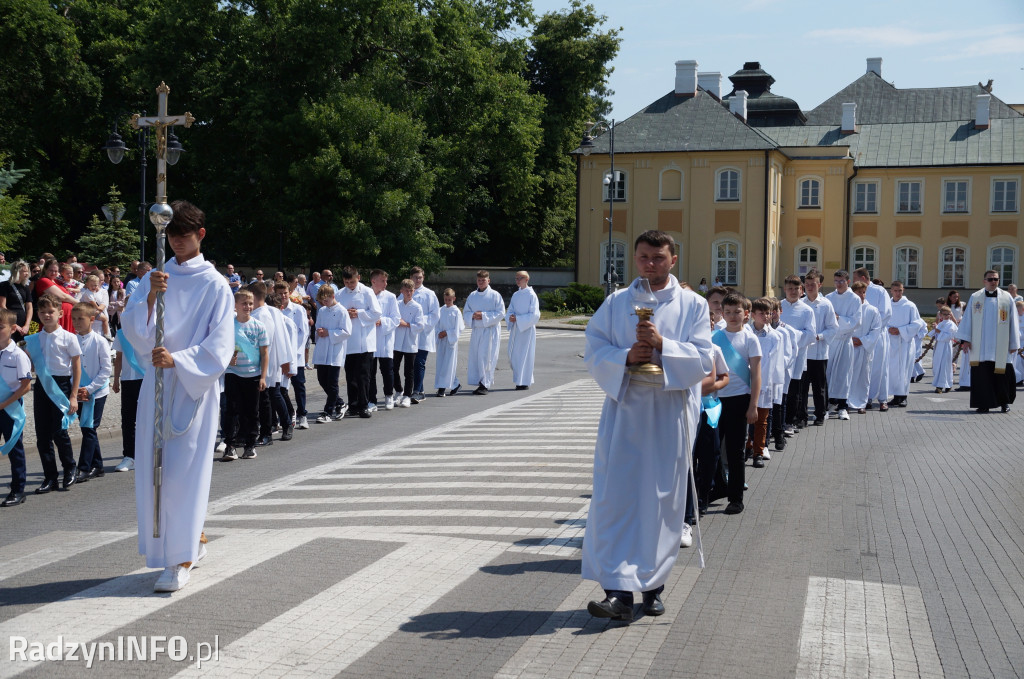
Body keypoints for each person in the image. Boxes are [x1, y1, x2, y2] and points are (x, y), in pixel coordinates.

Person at [582, 230, 712, 622]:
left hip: (669, 411)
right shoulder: (617, 302)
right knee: (615, 497)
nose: (649, 264)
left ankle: (653, 588)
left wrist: (662, 346)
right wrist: (625, 356)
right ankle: (618, 593)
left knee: (661, 500)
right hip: (625, 408)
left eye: (658, 257)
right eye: (642, 257)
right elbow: (594, 346)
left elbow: (705, 359)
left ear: (673, 259)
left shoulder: (693, 305)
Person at [120, 199, 234, 593]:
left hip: (190, 385)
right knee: (156, 472)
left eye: (183, 237)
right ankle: (190, 541)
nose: (176, 244)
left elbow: (221, 345)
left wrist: (179, 359)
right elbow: (133, 328)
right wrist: (150, 296)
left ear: (200, 235)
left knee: (184, 473)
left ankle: (179, 559)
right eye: (170, 237)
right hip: (155, 383)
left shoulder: (215, 284)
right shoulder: (159, 274)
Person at [24, 293, 82, 494]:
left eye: (51, 311)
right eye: (42, 312)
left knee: (59, 431)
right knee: (42, 435)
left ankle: (69, 468)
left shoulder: (69, 337)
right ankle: (50, 477)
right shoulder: (34, 339)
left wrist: (73, 395)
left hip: (62, 385)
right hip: (42, 386)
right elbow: (30, 365)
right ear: (38, 314)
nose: (47, 315)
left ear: (59, 313)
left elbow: (76, 367)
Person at [955, 270, 1020, 413]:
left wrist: (1014, 343)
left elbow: (1013, 320)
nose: (993, 282)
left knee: (1002, 376)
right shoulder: (975, 296)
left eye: (995, 279)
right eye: (990, 279)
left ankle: (1004, 403)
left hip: (1000, 346)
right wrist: (965, 340)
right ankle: (983, 403)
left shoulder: (1006, 297)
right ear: (984, 281)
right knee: (982, 377)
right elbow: (968, 319)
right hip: (981, 346)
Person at [222, 289, 269, 461]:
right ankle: (230, 445)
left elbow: (264, 353)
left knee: (252, 411)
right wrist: (228, 360)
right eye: (244, 303)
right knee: (232, 410)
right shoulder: (228, 326)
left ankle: (250, 445)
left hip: (253, 374)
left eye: (250, 303)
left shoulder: (259, 326)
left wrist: (263, 377)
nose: (247, 306)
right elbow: (222, 349)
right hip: (233, 373)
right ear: (235, 305)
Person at [71, 303, 111, 483]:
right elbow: (70, 368)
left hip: (97, 392)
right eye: (74, 319)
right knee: (88, 428)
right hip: (79, 392)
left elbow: (105, 370)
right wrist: (76, 389)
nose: (76, 322)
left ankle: (84, 467)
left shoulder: (100, 341)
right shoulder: (71, 340)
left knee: (88, 428)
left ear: (91, 320)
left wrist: (90, 388)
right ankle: (98, 465)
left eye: (81, 319)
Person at [250, 282, 292, 444]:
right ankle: (269, 428)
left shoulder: (265, 314)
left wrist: (285, 361)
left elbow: (276, 339)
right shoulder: (259, 313)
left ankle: (284, 424)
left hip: (269, 361)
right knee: (266, 397)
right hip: (261, 362)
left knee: (271, 396)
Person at [337, 266, 381, 418]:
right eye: (347, 282)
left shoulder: (367, 292)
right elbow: (336, 312)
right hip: (348, 341)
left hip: (364, 341)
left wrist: (359, 313)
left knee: (363, 375)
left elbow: (376, 313)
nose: (349, 285)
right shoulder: (340, 294)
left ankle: (364, 404)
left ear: (359, 278)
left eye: (352, 282)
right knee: (350, 375)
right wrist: (345, 314)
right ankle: (353, 404)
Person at [0, 308, 33, 507]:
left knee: (15, 449)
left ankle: (18, 489)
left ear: (13, 328)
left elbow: (26, 386)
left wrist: (3, 404)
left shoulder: (18, 355)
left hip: (10, 407)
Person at [801, 270, 838, 425]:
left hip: (819, 352)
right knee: (802, 388)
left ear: (819, 285)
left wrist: (819, 336)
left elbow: (833, 328)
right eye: (807, 284)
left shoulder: (826, 304)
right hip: (803, 353)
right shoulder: (801, 303)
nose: (809, 287)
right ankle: (801, 416)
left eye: (813, 284)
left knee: (819, 387)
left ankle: (820, 415)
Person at [825, 270, 863, 420]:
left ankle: (843, 406)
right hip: (831, 341)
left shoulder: (854, 299)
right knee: (828, 374)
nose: (839, 284)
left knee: (843, 374)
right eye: (836, 281)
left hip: (845, 341)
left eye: (842, 281)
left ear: (848, 282)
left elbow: (856, 322)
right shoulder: (829, 298)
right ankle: (828, 404)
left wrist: (838, 318)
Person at [749, 298, 780, 468]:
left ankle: (758, 451)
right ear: (753, 315)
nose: (766, 316)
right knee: (746, 418)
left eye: (768, 313)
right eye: (761, 313)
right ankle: (746, 446)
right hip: (747, 382)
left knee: (762, 420)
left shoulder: (774, 336)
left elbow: (777, 363)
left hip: (765, 382)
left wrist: (774, 384)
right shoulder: (746, 333)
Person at [312, 284, 351, 422]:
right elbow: (318, 326)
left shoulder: (342, 311)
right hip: (323, 349)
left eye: (326, 300)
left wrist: (329, 333)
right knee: (322, 380)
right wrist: (319, 331)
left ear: (333, 296)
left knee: (332, 382)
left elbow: (346, 331)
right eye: (322, 301)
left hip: (335, 350)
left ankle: (328, 412)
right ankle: (340, 403)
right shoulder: (322, 310)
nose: (324, 303)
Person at [780, 275, 815, 428]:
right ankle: (778, 423)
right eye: (790, 289)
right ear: (785, 289)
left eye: (796, 289)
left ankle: (790, 422)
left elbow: (811, 335)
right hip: (779, 356)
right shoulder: (778, 307)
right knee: (778, 391)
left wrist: (791, 333)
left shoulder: (807, 310)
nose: (793, 292)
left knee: (794, 391)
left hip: (797, 356)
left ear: (801, 290)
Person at [463, 270, 505, 395]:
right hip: (477, 331)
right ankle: (479, 381)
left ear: (488, 281)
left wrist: (484, 316)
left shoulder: (495, 295)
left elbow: (501, 313)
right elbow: (466, 312)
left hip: (490, 331)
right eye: (479, 280)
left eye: (483, 280)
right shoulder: (472, 296)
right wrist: (472, 316)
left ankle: (485, 384)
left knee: (487, 357)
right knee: (477, 357)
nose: (481, 282)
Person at [886, 280, 926, 408]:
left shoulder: (910, 306)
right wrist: (888, 329)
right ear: (891, 291)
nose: (898, 293)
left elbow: (917, 323)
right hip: (891, 342)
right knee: (892, 370)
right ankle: (895, 396)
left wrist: (900, 330)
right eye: (895, 291)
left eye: (900, 291)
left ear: (903, 291)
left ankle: (903, 397)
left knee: (904, 370)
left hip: (905, 342)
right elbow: (882, 320)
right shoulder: (887, 305)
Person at [111, 329, 144, 472]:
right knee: (128, 419)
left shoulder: (149, 329)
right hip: (128, 380)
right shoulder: (121, 333)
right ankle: (129, 456)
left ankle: (149, 454)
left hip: (146, 378)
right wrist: (116, 379)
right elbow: (119, 357)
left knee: (147, 419)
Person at [278, 280, 310, 428]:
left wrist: (295, 353)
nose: (283, 296)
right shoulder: (275, 310)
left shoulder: (298, 309)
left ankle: (302, 413)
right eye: (280, 294)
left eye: (285, 293)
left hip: (295, 355)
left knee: (299, 385)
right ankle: (286, 415)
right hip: (280, 356)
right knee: (281, 388)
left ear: (289, 293)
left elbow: (303, 333)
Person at [847, 281, 883, 414]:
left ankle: (861, 403)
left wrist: (862, 341)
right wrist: (849, 339)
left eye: (863, 292)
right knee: (848, 376)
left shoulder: (872, 310)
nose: (862, 295)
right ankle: (846, 401)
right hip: (849, 347)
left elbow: (876, 329)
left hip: (864, 349)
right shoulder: (849, 309)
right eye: (859, 292)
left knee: (863, 376)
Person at [369, 269, 400, 411]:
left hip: (385, 338)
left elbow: (396, 319)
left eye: (386, 281)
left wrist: (381, 321)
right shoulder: (366, 295)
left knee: (387, 370)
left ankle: (389, 395)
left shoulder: (391, 297)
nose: (385, 283)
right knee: (370, 371)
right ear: (373, 281)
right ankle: (372, 399)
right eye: (383, 280)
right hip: (369, 338)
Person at [393, 279, 425, 408]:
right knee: (393, 368)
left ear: (414, 291)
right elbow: (393, 319)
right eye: (406, 290)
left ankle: (407, 395)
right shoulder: (397, 304)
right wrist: (398, 322)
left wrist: (406, 324)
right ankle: (399, 390)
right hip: (397, 341)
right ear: (401, 291)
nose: (408, 293)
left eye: (411, 290)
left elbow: (420, 325)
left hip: (410, 342)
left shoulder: (417, 307)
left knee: (409, 370)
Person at [410, 266, 441, 401]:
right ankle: (420, 390)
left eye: (420, 277)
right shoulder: (406, 292)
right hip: (409, 334)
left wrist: (419, 322)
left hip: (423, 334)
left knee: (419, 362)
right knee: (412, 364)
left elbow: (435, 315)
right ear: (411, 278)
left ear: (423, 278)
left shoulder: (429, 294)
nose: (417, 280)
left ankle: (417, 390)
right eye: (415, 277)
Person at [506, 271, 540, 390]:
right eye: (516, 278)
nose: (517, 281)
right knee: (514, 355)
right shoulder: (516, 295)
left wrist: (519, 319)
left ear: (526, 279)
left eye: (519, 278)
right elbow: (510, 309)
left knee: (525, 355)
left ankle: (524, 381)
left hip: (526, 329)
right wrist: (510, 317)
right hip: (516, 328)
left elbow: (535, 315)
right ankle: (518, 379)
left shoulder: (531, 295)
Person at [435, 288, 464, 397]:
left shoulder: (456, 311)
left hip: (451, 341)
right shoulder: (441, 310)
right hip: (442, 340)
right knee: (441, 364)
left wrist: (447, 333)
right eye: (446, 300)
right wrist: (439, 333)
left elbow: (459, 328)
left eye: (449, 300)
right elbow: (436, 324)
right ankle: (454, 384)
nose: (447, 302)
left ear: (454, 299)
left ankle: (442, 388)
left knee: (449, 364)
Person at [33, 259, 76, 331]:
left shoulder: (57, 281)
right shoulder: (43, 280)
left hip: (66, 316)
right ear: (45, 269)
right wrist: (79, 303)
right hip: (55, 317)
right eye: (51, 270)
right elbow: (63, 297)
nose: (53, 273)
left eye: (56, 271)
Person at [0, 260, 33, 341]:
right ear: (17, 271)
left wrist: (27, 325)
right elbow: (2, 305)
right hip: (9, 322)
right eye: (24, 271)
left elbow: (29, 307)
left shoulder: (25, 287)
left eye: (27, 271)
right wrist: (13, 324)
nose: (27, 273)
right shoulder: (4, 285)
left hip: (23, 323)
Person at [929, 306, 957, 393]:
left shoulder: (951, 324)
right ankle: (947, 384)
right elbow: (935, 333)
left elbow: (949, 335)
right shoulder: (941, 323)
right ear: (941, 315)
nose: (947, 316)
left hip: (946, 346)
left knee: (944, 365)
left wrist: (938, 331)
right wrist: (935, 329)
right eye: (944, 314)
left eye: (948, 314)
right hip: (939, 346)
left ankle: (940, 386)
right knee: (938, 364)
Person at [79, 274, 111, 338]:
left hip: (96, 316)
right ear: (87, 284)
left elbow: (104, 304)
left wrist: (97, 311)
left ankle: (106, 334)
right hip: (89, 314)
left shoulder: (103, 291)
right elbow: (91, 302)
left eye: (96, 285)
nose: (94, 287)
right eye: (92, 285)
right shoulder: (87, 292)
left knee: (105, 319)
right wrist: (97, 309)